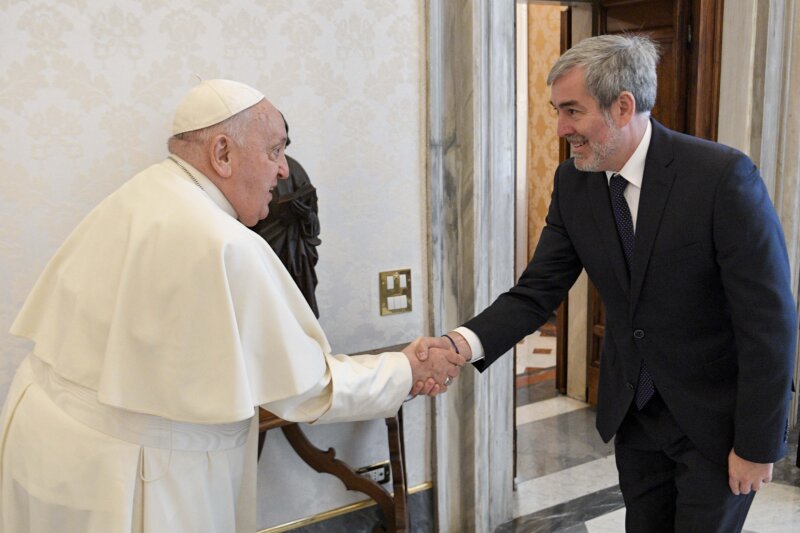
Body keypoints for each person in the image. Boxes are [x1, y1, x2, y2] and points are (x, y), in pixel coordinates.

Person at [0, 79, 463, 533]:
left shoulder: (142, 192)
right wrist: (406, 369)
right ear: (222, 153)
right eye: (274, 151)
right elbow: (308, 388)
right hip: (131, 474)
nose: (283, 170)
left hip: (45, 443)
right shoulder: (222, 242)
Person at [427, 35, 797, 532]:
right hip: (635, 417)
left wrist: (757, 444)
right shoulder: (573, 182)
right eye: (557, 110)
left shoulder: (721, 177)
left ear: (623, 106)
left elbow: (769, 322)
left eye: (572, 111)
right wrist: (458, 344)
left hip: (715, 424)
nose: (560, 129)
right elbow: (537, 290)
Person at [250, 116, 321, 317]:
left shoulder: (295, 169)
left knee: (298, 311)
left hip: (296, 255)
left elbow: (313, 221)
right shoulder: (252, 170)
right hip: (265, 253)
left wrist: (304, 214)